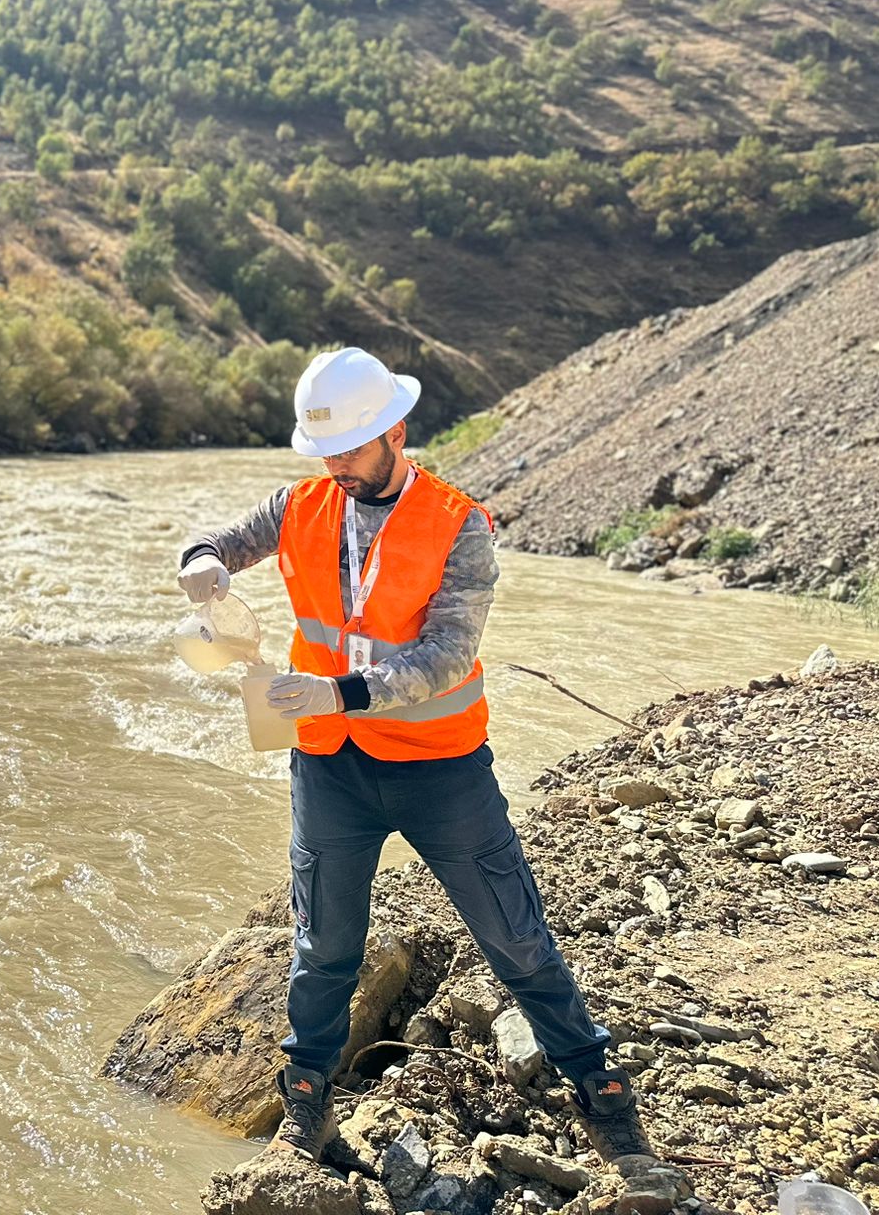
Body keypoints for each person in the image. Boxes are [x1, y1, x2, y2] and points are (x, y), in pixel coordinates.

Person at [176, 346, 658, 1170]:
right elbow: (222, 538)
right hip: (332, 766)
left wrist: (341, 692)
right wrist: (203, 563)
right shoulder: (304, 502)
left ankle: (602, 1093)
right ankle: (307, 1102)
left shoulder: (458, 525)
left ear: (396, 431)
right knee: (323, 945)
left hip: (440, 768)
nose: (338, 467)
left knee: (515, 938)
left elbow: (446, 653)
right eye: (325, 452)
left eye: (352, 450)